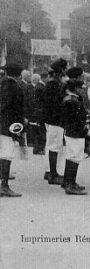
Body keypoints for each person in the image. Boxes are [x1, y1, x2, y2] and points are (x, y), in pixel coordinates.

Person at [60, 67, 90, 195]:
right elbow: (76, 119)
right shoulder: (72, 101)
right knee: (75, 157)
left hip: (71, 131)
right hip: (75, 132)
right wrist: (85, 131)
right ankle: (70, 185)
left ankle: (68, 181)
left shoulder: (71, 98)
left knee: (71, 156)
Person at [0, 63, 25, 197]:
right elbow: (16, 110)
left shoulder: (1, 85)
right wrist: (19, 127)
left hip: (1, 123)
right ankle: (4, 186)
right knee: (6, 154)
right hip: (8, 125)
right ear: (18, 74)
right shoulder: (15, 88)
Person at [43, 58, 67, 185]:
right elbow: (55, 104)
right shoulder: (54, 85)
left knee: (52, 146)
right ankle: (53, 174)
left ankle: (49, 171)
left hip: (52, 120)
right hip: (56, 120)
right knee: (55, 147)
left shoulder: (51, 83)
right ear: (60, 72)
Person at [30, 73, 47, 155]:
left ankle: (38, 148)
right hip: (40, 112)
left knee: (39, 131)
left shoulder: (38, 86)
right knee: (41, 131)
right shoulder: (40, 87)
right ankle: (38, 148)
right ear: (44, 78)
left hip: (37, 112)